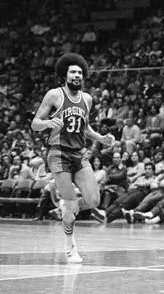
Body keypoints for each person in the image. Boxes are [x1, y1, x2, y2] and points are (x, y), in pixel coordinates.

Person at [31, 53, 115, 263]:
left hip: (78, 153)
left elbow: (85, 127)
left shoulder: (87, 99)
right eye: (73, 72)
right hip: (58, 152)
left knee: (94, 199)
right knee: (69, 202)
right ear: (64, 75)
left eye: (80, 72)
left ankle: (67, 208)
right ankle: (70, 246)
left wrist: (101, 138)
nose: (77, 75)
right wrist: (48, 123)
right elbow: (35, 123)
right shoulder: (54, 95)